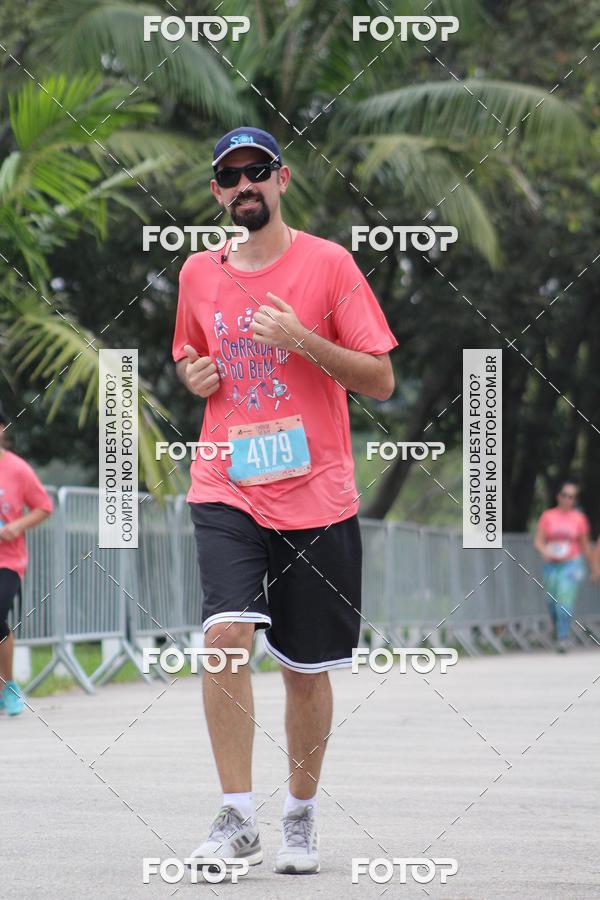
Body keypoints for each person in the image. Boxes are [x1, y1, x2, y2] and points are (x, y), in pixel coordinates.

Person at [172, 126, 397, 875]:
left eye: (257, 171)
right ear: (216, 192)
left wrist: (302, 340)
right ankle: (237, 815)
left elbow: (379, 379)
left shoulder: (328, 264)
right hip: (226, 483)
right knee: (224, 637)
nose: (245, 186)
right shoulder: (197, 274)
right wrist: (194, 378)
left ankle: (299, 816)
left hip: (316, 495)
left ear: (282, 179)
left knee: (305, 667)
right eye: (230, 176)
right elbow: (188, 352)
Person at [0, 402, 53, 714]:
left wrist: (17, 525)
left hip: (8, 561)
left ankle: (9, 685)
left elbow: (44, 506)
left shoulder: (17, 469)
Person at [533, 480, 595, 653]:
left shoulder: (579, 519)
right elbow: (538, 540)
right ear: (558, 496)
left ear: (575, 500)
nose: (568, 499)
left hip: (572, 564)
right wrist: (544, 551)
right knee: (551, 602)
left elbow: (585, 545)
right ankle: (558, 627)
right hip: (552, 565)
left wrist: (594, 569)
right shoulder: (548, 516)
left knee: (564, 601)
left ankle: (563, 637)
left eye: (572, 497)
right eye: (565, 495)